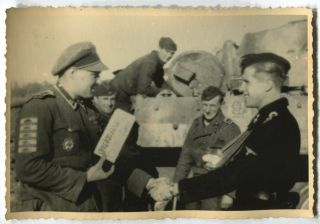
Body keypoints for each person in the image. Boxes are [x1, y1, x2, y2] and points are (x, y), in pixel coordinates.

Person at [159, 53, 301, 210]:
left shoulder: (274, 124)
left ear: (267, 85)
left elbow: (234, 174)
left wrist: (179, 188)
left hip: (261, 208)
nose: (241, 88)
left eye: (247, 82)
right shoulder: (266, 120)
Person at [14, 42, 115, 211]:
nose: (98, 82)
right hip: (51, 207)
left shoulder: (87, 110)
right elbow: (28, 168)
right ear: (73, 72)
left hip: (85, 205)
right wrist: (84, 178)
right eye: (94, 75)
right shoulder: (40, 107)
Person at [86, 81, 170, 211]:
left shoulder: (118, 118)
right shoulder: (89, 118)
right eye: (105, 99)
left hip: (118, 172)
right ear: (95, 99)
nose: (109, 103)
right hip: (100, 175)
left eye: (112, 99)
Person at [173, 86, 240, 210]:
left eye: (212, 105)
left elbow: (236, 162)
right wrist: (176, 185)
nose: (208, 110)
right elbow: (185, 156)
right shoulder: (196, 124)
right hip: (194, 184)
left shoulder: (229, 127)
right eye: (205, 105)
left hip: (216, 184)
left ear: (221, 104)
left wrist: (229, 194)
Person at [110, 37, 177, 111]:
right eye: (167, 51)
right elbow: (143, 90)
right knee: (126, 118)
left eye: (172, 53)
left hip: (123, 92)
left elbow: (160, 82)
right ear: (160, 49)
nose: (169, 56)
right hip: (117, 92)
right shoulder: (150, 63)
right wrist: (163, 92)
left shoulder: (157, 62)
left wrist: (174, 93)